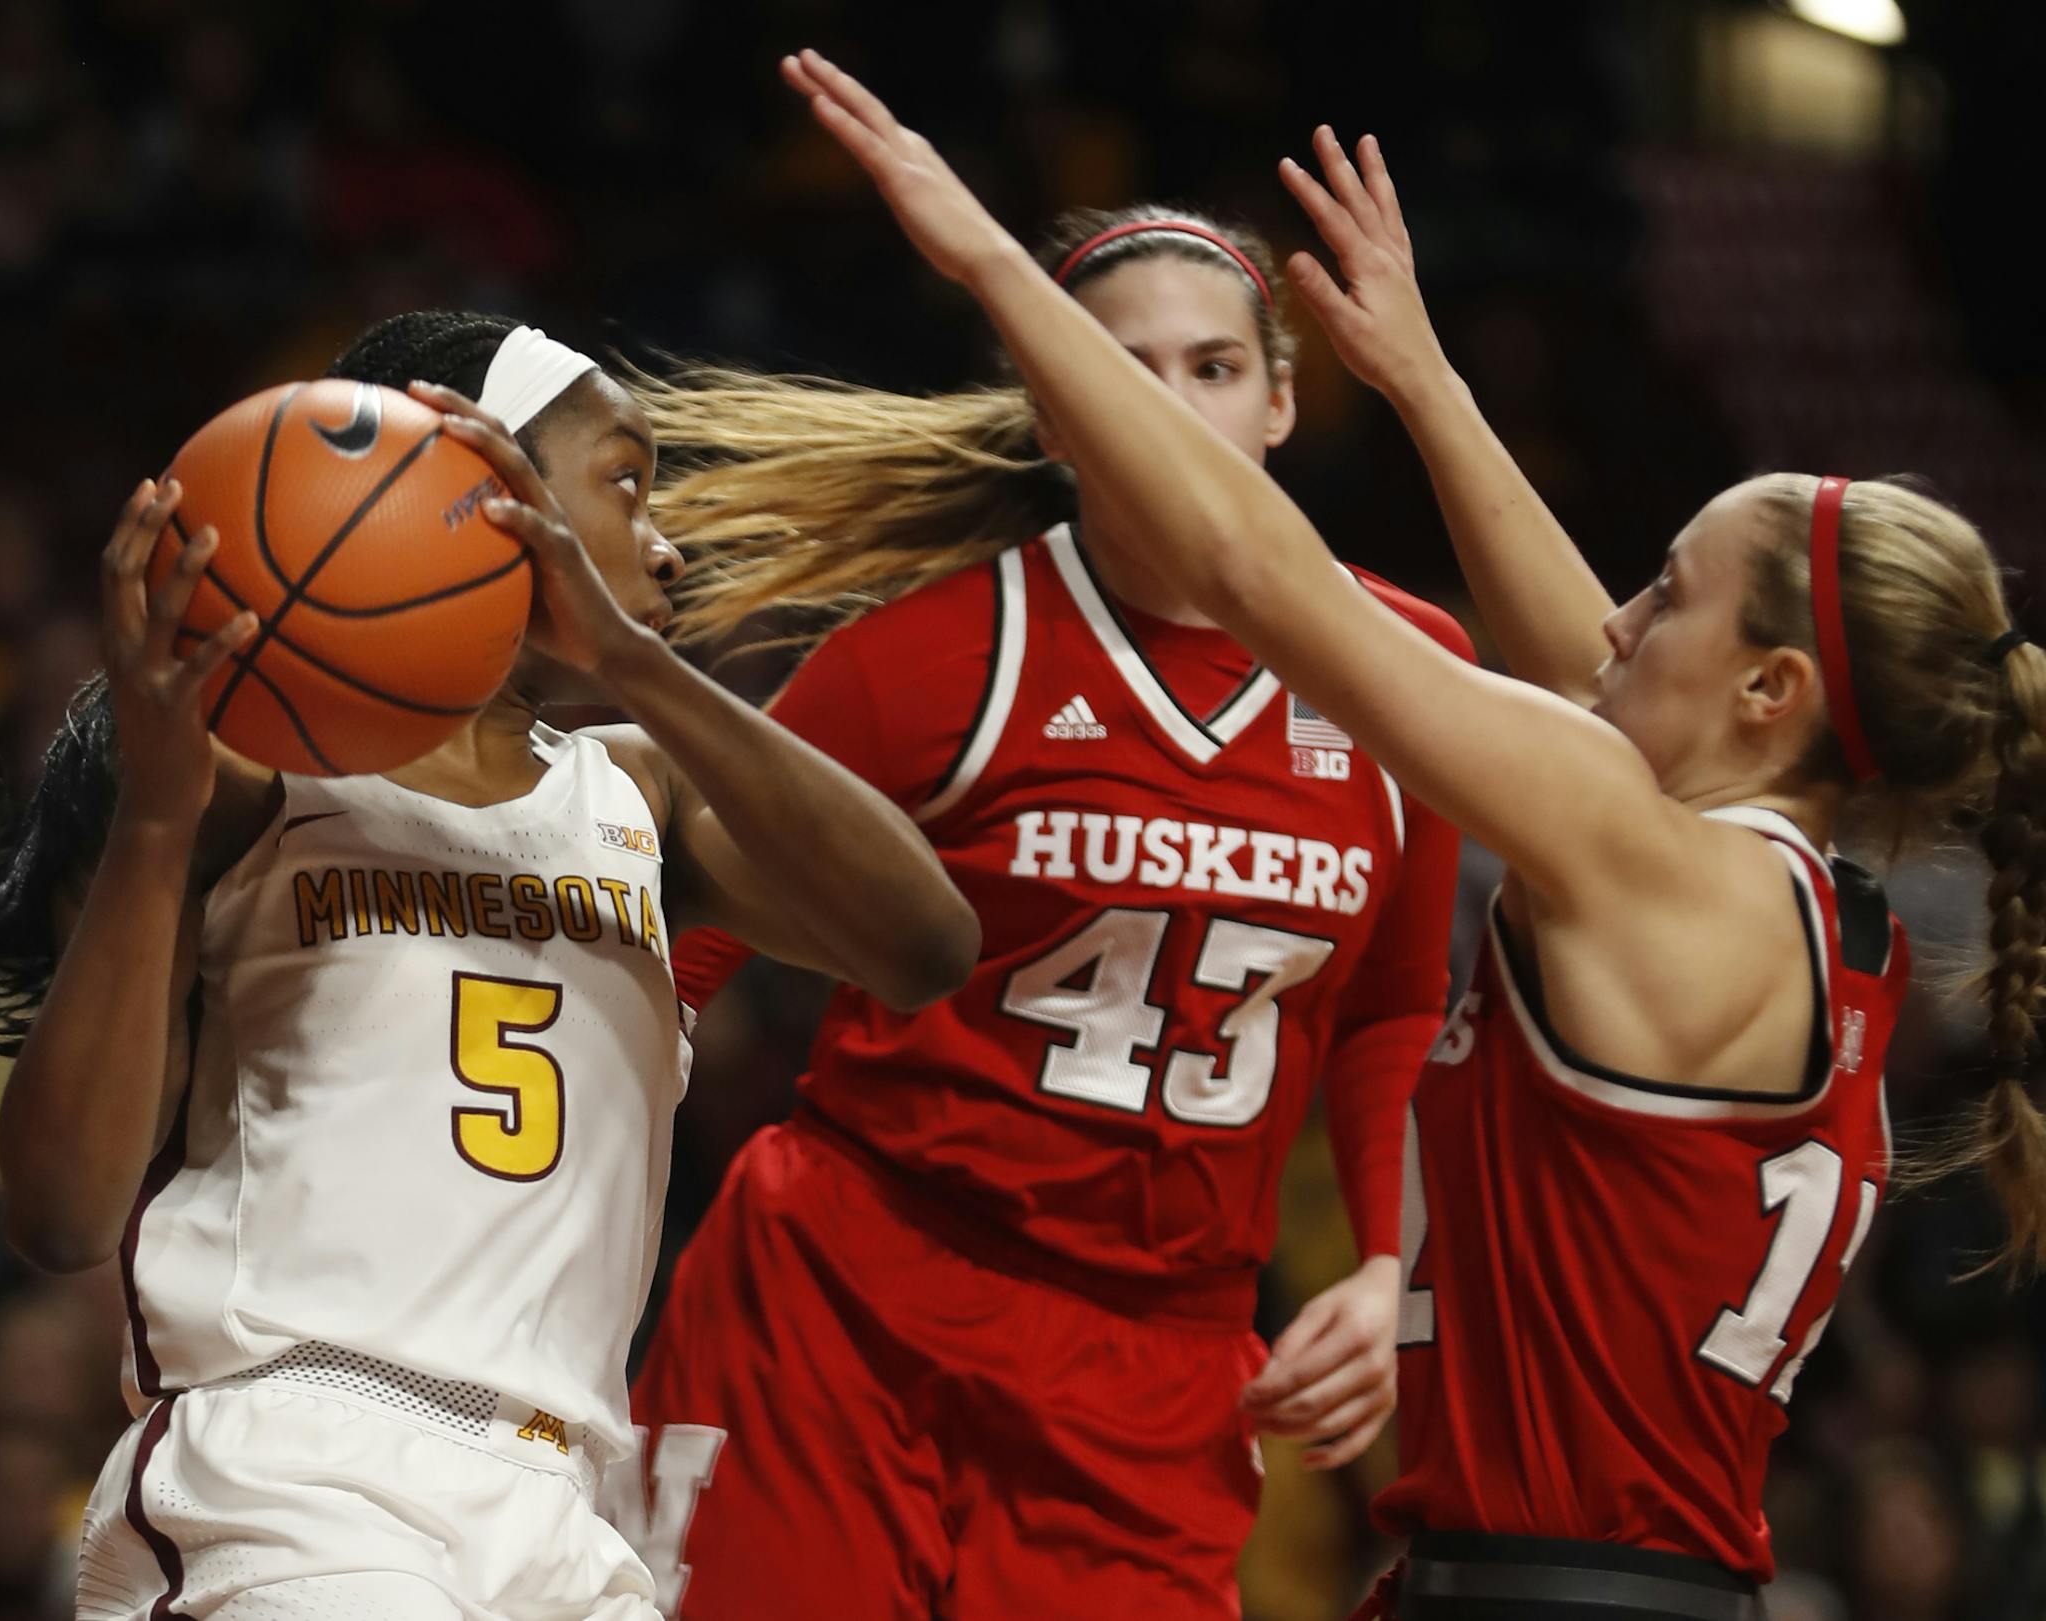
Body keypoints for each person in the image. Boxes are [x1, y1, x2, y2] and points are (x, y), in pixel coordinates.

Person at [775, 48, 2046, 1620]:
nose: (1618, 616)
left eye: (1668, 588)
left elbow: (1256, 569)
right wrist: (1430, 385)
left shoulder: (1648, 857)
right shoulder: (1804, 909)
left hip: (1546, 1588)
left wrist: (983, 255)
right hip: (1599, 1579)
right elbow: (1593, 671)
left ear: (1773, 690)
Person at [0, 310, 979, 1621]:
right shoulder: (249, 769)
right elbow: (65, 1212)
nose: (664, 538)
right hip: (296, 1467)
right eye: (628, 479)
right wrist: (149, 818)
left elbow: (928, 945)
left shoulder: (639, 798)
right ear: (480, 488)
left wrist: (639, 669)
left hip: (563, 1504)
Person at [626, 123, 1469, 1621]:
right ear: (1059, 418)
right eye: (1125, 370)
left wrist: (1386, 1258)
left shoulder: (1413, 673)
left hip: (1159, 1351)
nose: (1174, 404)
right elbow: (685, 939)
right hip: (854, 1289)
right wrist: (564, 1212)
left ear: (1281, 401)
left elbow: (1398, 1002)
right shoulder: (931, 653)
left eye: (1213, 367)